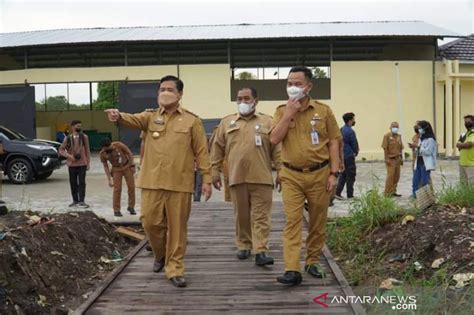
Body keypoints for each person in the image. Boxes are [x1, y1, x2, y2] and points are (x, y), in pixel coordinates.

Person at [105, 75, 212, 288]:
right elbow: (131, 119)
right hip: (152, 181)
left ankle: (175, 269)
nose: (165, 93)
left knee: (177, 228)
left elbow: (202, 152)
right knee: (150, 222)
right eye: (162, 89)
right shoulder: (150, 117)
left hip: (180, 184)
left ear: (180, 94)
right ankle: (160, 254)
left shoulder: (192, 121)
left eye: (170, 89)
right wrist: (118, 116)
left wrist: (207, 179)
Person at [270, 66, 341, 286]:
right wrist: (289, 114)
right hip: (291, 174)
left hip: (320, 173)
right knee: (292, 221)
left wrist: (333, 173)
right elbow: (273, 139)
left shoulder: (323, 111)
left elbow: (334, 141)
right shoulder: (281, 110)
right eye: (290, 83)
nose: (292, 87)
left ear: (308, 86)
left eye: (298, 84)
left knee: (318, 221)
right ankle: (292, 269)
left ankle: (312, 261)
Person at [211, 87, 281, 266]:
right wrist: (214, 171)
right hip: (236, 176)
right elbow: (217, 147)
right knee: (241, 215)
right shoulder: (227, 122)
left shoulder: (268, 121)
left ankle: (261, 250)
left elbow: (278, 149)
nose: (243, 102)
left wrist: (281, 171)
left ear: (255, 101)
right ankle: (244, 244)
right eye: (239, 98)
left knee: (261, 216)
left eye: (247, 98)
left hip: (262, 177)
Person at [99, 138, 137, 217]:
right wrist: (109, 179)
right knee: (117, 189)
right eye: (106, 148)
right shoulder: (102, 154)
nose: (109, 149)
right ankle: (116, 209)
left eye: (109, 147)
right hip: (116, 169)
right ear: (103, 148)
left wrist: (132, 165)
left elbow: (129, 153)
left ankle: (131, 206)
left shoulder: (118, 145)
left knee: (131, 187)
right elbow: (105, 166)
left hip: (127, 166)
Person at [59, 120, 91, 208]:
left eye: (80, 126)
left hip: (82, 164)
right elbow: (61, 150)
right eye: (77, 126)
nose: (79, 128)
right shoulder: (68, 138)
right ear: (72, 127)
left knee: (82, 182)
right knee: (73, 182)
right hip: (72, 164)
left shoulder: (84, 137)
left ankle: (82, 201)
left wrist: (88, 163)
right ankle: (75, 200)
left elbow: (87, 150)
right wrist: (69, 156)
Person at [335, 112, 358, 200]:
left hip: (342, 155)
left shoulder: (341, 130)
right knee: (351, 175)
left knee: (343, 174)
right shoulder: (350, 131)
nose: (354, 121)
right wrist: (355, 152)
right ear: (350, 120)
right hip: (349, 155)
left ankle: (337, 192)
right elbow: (354, 144)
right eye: (353, 119)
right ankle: (350, 195)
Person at [413, 120, 437, 192]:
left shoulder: (430, 139)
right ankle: (416, 196)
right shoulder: (422, 138)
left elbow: (428, 151)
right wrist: (415, 148)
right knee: (416, 181)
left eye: (420, 128)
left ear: (425, 128)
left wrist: (418, 147)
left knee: (425, 181)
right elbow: (419, 150)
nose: (419, 130)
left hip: (425, 164)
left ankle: (427, 197)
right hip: (419, 162)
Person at [381, 122, 404, 197]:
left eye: (397, 127)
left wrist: (401, 158)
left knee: (397, 176)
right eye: (394, 126)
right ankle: (387, 192)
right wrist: (386, 158)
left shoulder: (399, 136)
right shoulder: (387, 136)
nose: (395, 128)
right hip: (391, 158)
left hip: (398, 158)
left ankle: (393, 191)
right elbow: (385, 147)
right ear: (390, 127)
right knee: (390, 176)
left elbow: (401, 148)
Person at [456, 115, 474, 184]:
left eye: (468, 121)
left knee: (472, 186)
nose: (466, 123)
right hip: (462, 163)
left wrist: (462, 145)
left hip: (472, 164)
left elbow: (470, 144)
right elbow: (457, 145)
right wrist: (465, 145)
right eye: (465, 122)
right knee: (463, 186)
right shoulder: (464, 134)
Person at [408, 121, 421, 198]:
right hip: (415, 159)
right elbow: (415, 148)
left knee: (423, 179)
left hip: (422, 160)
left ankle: (423, 194)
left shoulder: (424, 137)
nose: (415, 127)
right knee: (415, 178)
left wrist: (416, 146)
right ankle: (415, 193)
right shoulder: (414, 137)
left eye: (417, 126)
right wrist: (412, 146)